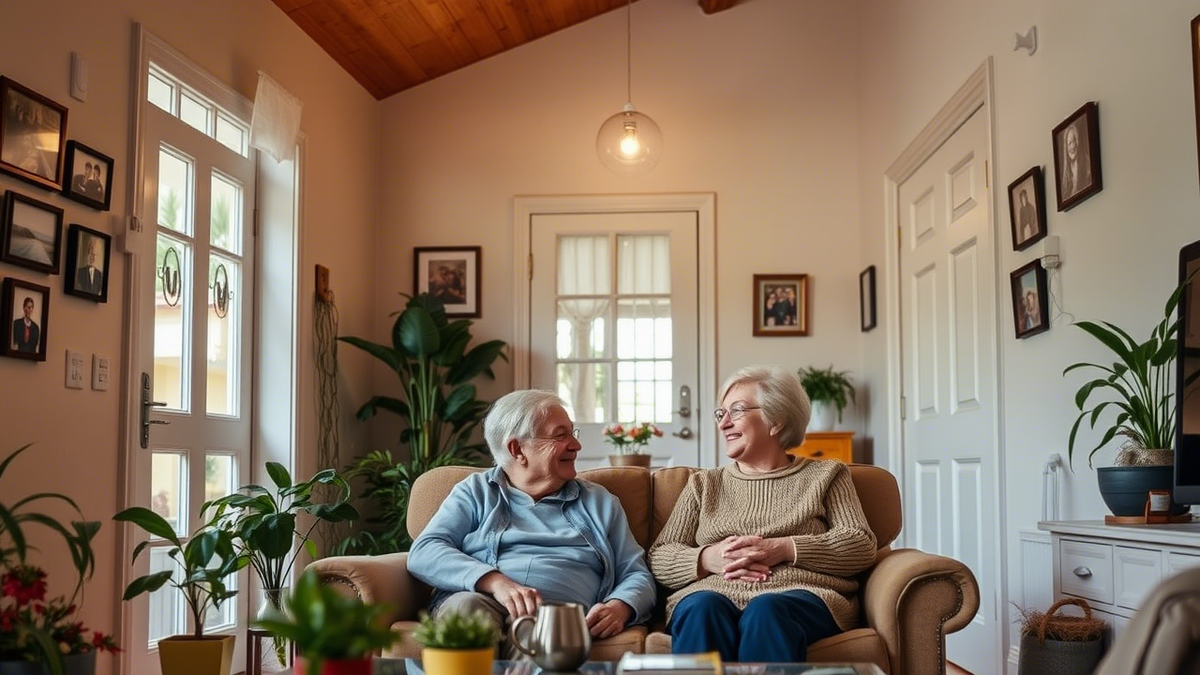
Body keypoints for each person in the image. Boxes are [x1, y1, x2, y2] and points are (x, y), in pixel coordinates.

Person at [648, 366, 877, 663]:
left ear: (776, 420)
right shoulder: (704, 485)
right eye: (721, 414)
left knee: (766, 610)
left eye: (737, 411)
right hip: (711, 594)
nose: (723, 424)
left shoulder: (827, 475)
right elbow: (660, 555)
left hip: (798, 595)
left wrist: (784, 548)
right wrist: (706, 558)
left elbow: (860, 544)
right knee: (703, 608)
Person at [407, 389, 656, 657]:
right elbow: (425, 550)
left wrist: (620, 606)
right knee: (467, 612)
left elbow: (635, 572)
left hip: (553, 613)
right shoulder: (476, 491)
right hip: (478, 598)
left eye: (573, 433)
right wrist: (496, 583)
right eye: (561, 435)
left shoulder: (600, 503)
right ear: (517, 449)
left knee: (538, 633)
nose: (576, 445)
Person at [1060, 122, 1090, 199]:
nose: (1073, 146)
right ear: (1066, 147)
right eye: (1069, 143)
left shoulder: (1086, 162)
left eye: (1074, 140)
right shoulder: (1066, 173)